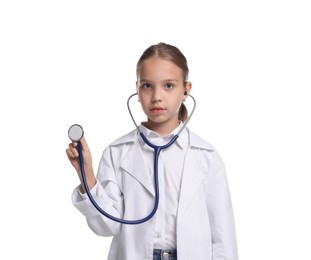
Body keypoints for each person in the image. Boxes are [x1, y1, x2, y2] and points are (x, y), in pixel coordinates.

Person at [66, 42, 239, 260]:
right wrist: (86, 174)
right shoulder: (117, 153)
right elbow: (107, 225)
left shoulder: (207, 156)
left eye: (168, 86)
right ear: (137, 89)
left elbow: (223, 236)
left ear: (186, 90)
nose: (156, 96)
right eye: (147, 86)